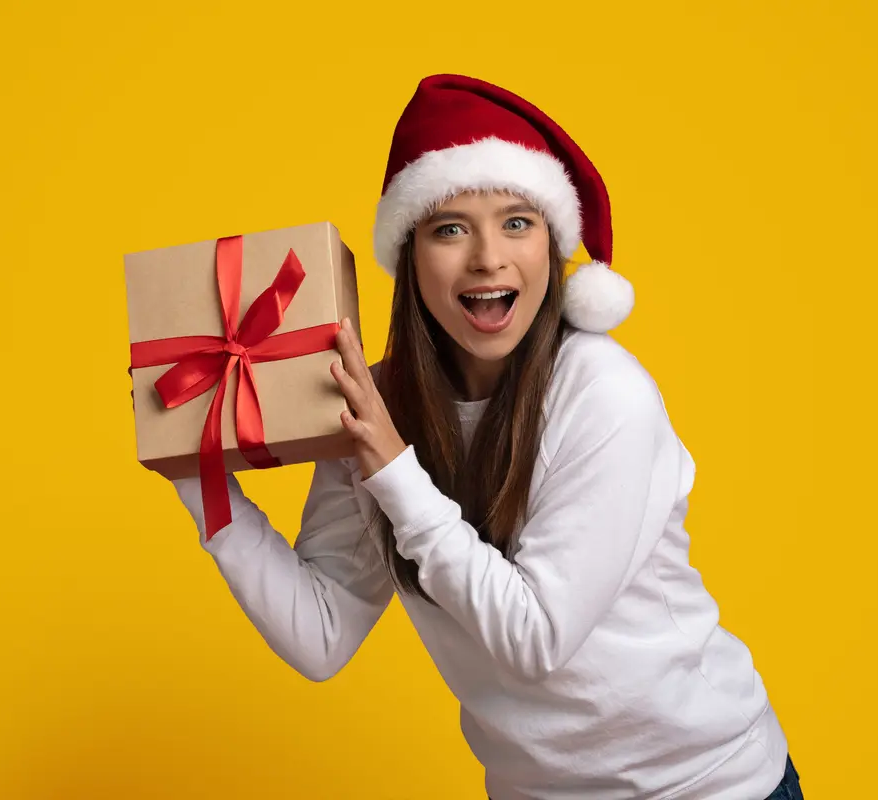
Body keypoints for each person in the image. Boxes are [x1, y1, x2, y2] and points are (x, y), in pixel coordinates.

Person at [167, 74, 804, 800]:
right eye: (449, 228)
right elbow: (321, 634)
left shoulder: (603, 392)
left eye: (517, 222)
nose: (487, 258)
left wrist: (393, 468)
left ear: (551, 247)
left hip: (708, 786)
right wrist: (200, 479)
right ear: (411, 257)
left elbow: (536, 640)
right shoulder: (380, 406)